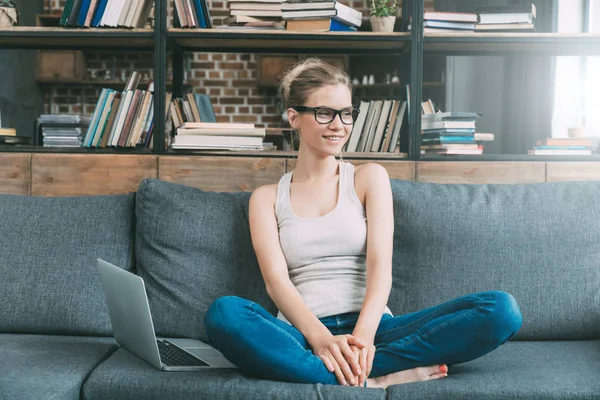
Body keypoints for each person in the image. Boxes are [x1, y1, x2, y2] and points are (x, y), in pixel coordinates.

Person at [204, 58, 523, 389]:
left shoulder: (369, 178)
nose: (339, 125)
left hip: (377, 330)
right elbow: (276, 283)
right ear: (294, 117)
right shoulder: (266, 198)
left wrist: (363, 341)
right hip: (301, 334)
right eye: (324, 113)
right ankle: (374, 380)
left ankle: (337, 372)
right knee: (224, 315)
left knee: (500, 310)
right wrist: (322, 340)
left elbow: (380, 269)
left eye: (346, 113)